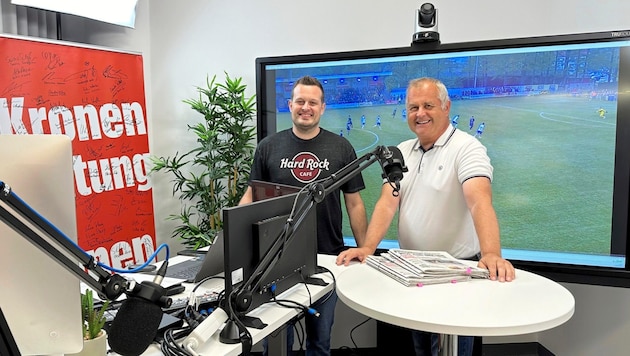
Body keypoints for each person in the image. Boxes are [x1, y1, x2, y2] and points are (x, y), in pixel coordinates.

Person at [336, 77, 515, 356]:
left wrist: (491, 252)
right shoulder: (403, 151)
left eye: (428, 105)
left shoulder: (468, 148)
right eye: (413, 107)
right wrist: (368, 248)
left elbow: (479, 201)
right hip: (411, 269)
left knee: (451, 350)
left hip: (455, 272)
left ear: (446, 107)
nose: (420, 113)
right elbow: (387, 204)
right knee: (422, 349)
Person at [239, 75, 368, 356]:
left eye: (313, 102)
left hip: (325, 258)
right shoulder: (268, 147)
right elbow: (251, 196)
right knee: (276, 342)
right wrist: (233, 239)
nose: (305, 107)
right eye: (300, 101)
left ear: (322, 107)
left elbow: (354, 203)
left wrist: (364, 248)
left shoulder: (341, 148)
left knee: (320, 343)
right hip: (275, 260)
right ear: (290, 105)